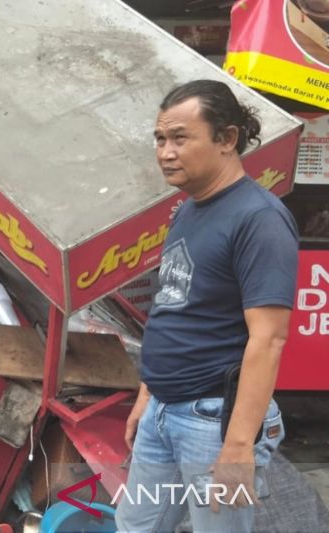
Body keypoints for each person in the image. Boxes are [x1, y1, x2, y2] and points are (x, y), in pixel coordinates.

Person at [115, 80, 298, 532]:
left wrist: (237, 447)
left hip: (214, 424)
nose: (165, 152)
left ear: (227, 139)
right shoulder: (189, 210)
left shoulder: (259, 219)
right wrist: (148, 395)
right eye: (160, 139)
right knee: (136, 526)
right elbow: (174, 308)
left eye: (180, 138)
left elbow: (269, 338)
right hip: (164, 414)